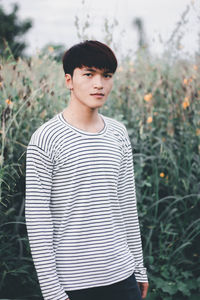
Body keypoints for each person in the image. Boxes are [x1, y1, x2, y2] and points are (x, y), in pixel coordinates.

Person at [25, 40, 149, 300]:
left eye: (107, 76)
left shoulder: (118, 133)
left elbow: (127, 205)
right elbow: (38, 221)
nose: (99, 84)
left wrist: (139, 268)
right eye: (89, 74)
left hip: (122, 275)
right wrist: (52, 292)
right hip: (73, 284)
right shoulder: (46, 138)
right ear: (69, 80)